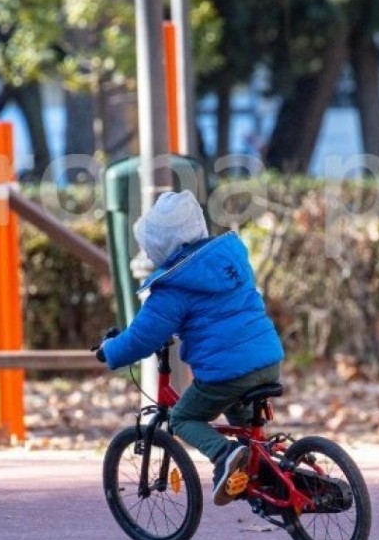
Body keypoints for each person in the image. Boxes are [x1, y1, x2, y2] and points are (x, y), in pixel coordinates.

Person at [96, 190, 284, 504]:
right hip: (267, 358)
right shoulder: (231, 260)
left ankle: (224, 455)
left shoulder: (173, 287)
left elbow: (143, 337)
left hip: (227, 372)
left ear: (159, 245)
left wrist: (110, 350)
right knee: (244, 422)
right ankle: (265, 477)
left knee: (183, 417)